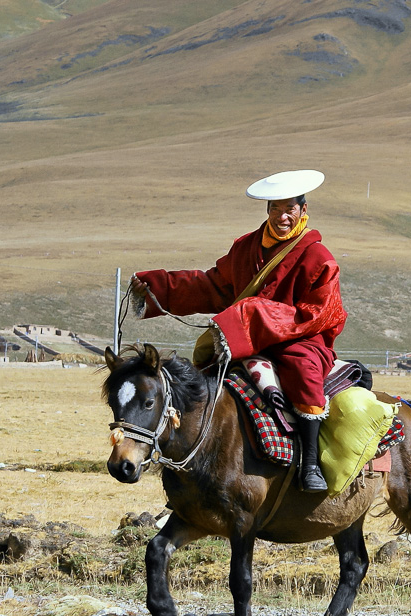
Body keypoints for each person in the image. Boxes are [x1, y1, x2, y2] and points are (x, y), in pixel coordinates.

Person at [129, 169, 347, 492]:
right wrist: (157, 288)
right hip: (245, 337)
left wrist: (250, 315)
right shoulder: (247, 248)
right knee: (203, 377)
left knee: (303, 371)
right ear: (267, 210)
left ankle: (311, 464)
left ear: (303, 210)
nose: (282, 217)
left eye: (290, 209)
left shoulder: (320, 258)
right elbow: (211, 286)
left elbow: (315, 314)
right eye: (275, 208)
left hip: (299, 338)